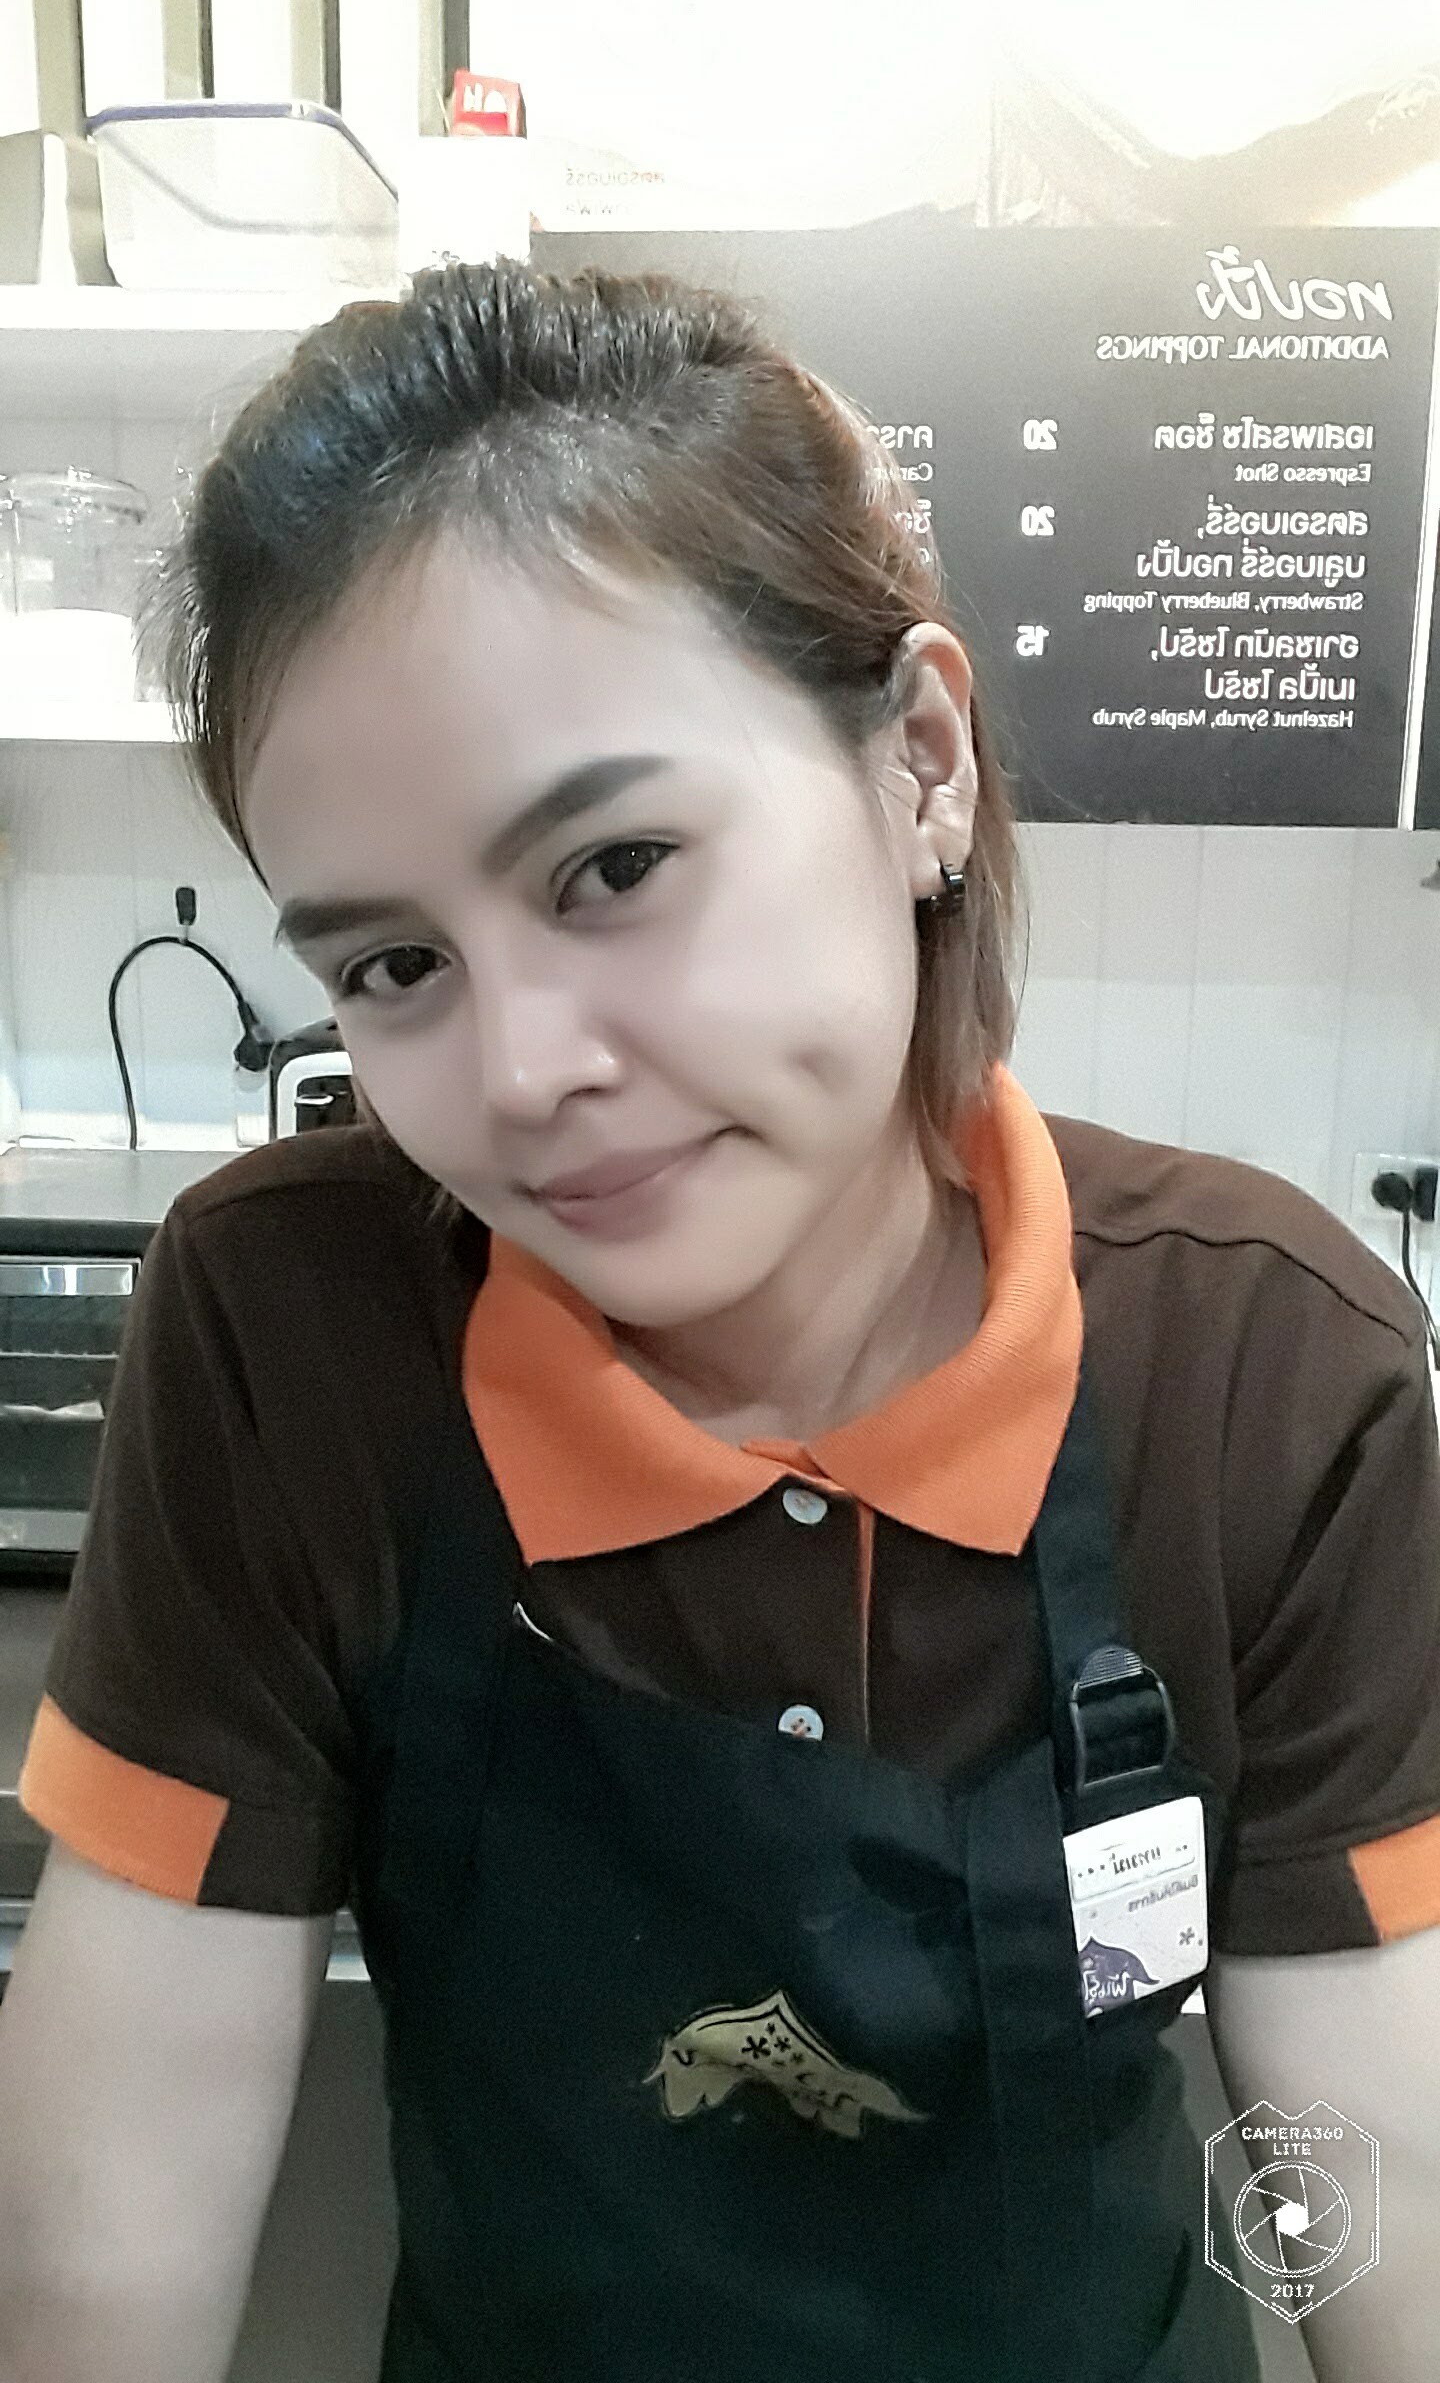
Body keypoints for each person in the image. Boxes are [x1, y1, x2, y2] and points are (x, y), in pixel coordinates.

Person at [2, 258, 1438, 2383]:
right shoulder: (293, 1335)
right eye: (393, 966)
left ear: (920, 761)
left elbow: (1373, 2174)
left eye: (611, 868)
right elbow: (105, 2245)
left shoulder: (1263, 1372)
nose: (522, 1072)